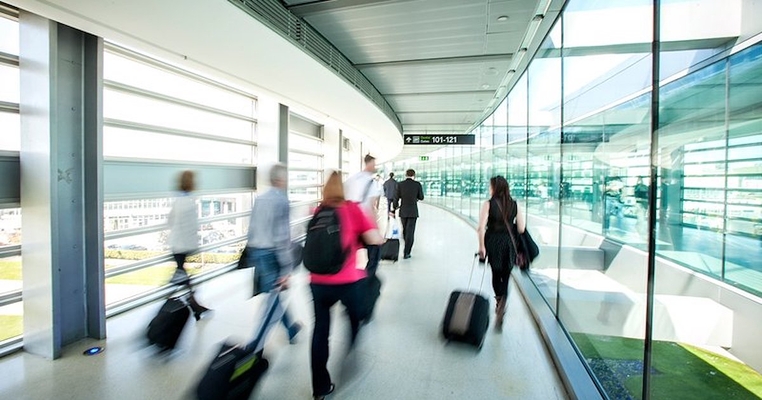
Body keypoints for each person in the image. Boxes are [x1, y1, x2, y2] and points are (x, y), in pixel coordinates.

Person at [309, 171, 384, 400]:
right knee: (355, 315)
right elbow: (374, 239)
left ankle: (320, 388)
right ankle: (350, 351)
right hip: (347, 281)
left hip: (317, 282)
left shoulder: (318, 211)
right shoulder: (352, 209)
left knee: (320, 332)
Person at [245, 163, 302, 343]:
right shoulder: (281, 201)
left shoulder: (259, 199)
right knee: (272, 300)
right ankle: (255, 344)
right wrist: (286, 268)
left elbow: (251, 229)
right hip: (272, 255)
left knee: (273, 295)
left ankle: (291, 328)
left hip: (257, 253)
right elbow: (281, 237)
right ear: (280, 179)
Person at [477, 176, 525, 331]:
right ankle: (503, 301)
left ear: (494, 188)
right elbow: (521, 228)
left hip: (493, 242)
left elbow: (481, 227)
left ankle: (499, 301)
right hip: (510, 243)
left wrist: (481, 247)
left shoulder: (488, 204)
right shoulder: (515, 204)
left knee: (496, 274)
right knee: (506, 275)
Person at [167, 170, 211, 321]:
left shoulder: (178, 200)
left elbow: (170, 221)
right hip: (182, 246)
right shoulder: (188, 202)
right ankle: (194, 306)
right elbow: (192, 227)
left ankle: (195, 306)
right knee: (181, 277)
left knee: (181, 276)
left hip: (176, 245)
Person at [344, 154, 384, 277]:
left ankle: (349, 276)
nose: (375, 167)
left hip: (350, 222)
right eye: (374, 164)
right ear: (370, 163)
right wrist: (376, 228)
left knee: (348, 253)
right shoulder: (371, 182)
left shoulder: (352, 179)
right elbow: (371, 207)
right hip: (364, 223)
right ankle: (368, 278)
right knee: (374, 252)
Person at [395, 169, 424, 259]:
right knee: (410, 232)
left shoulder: (400, 184)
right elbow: (421, 197)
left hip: (403, 210)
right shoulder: (417, 184)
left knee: (405, 230)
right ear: (414, 175)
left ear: (406, 175)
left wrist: (395, 207)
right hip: (413, 211)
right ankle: (407, 252)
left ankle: (406, 244)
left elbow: (396, 197)